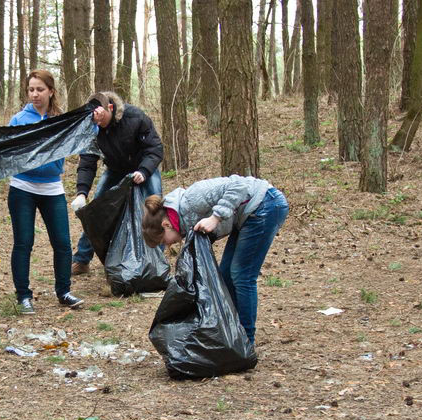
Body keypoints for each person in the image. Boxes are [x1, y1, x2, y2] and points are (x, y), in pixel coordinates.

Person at [141, 175, 289, 344]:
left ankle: (246, 340)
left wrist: (215, 217)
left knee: (241, 275)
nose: (167, 245)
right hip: (246, 216)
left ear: (166, 225)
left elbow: (239, 186)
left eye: (163, 241)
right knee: (225, 275)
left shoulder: (192, 199)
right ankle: (233, 332)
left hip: (265, 205)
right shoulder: (184, 221)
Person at [7, 70, 84, 314]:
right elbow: (8, 153)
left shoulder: (61, 121)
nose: (35, 94)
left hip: (53, 188)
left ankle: (64, 292)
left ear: (51, 91)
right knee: (24, 242)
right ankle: (23, 296)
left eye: (40, 89)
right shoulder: (18, 120)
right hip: (23, 188)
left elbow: (85, 136)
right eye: (31, 89)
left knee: (62, 243)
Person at [69, 91, 163, 275]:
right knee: (96, 212)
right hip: (115, 169)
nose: (98, 122)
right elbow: (87, 162)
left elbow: (155, 148)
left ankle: (156, 262)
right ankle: (82, 259)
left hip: (144, 167)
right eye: (94, 118)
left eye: (101, 117)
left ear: (110, 108)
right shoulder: (92, 127)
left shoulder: (135, 118)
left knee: (154, 210)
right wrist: (82, 192)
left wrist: (143, 171)